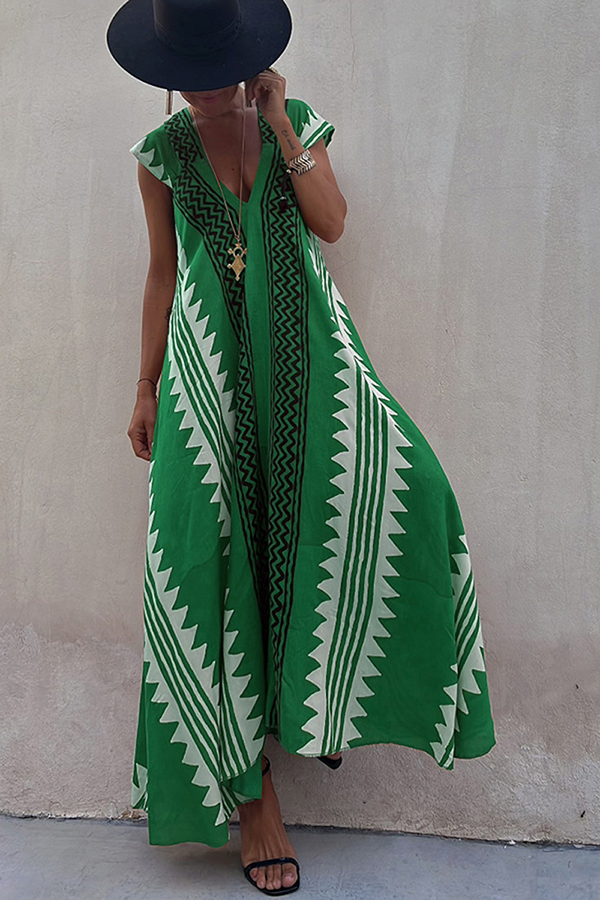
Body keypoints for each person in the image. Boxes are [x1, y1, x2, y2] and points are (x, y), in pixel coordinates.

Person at [107, 0, 496, 894]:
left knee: (409, 491)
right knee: (203, 562)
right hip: (208, 376)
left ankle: (316, 699)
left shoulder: (295, 120)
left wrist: (281, 124)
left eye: (217, 70)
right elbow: (162, 273)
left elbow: (331, 222)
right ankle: (253, 801)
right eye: (187, 75)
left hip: (313, 360)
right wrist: (144, 388)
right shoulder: (160, 154)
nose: (204, 90)